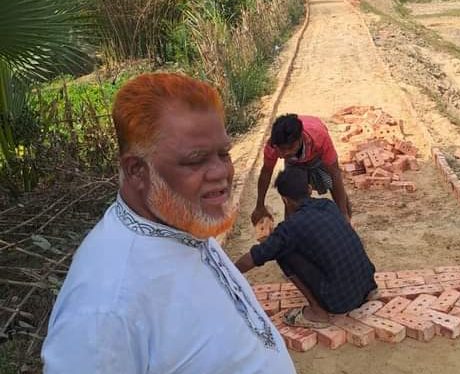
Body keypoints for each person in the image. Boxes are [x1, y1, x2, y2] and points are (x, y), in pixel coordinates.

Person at [41, 73, 295, 374]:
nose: (221, 173)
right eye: (195, 160)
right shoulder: (104, 307)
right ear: (137, 171)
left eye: (223, 153)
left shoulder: (180, 219)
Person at [236, 167, 376, 328]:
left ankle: (318, 312)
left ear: (285, 200)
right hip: (367, 286)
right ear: (309, 189)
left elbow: (252, 259)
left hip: (341, 302)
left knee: (282, 253)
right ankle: (366, 291)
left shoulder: (289, 228)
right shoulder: (328, 205)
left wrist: (225, 271)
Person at [251, 114, 350, 225]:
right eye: (282, 149)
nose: (285, 153)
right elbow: (266, 173)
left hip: (316, 156)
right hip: (294, 164)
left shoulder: (319, 137)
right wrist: (260, 206)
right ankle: (292, 229)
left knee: (339, 196)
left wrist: (343, 212)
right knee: (291, 196)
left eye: (290, 148)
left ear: (300, 139)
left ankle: (347, 221)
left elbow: (335, 173)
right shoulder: (272, 146)